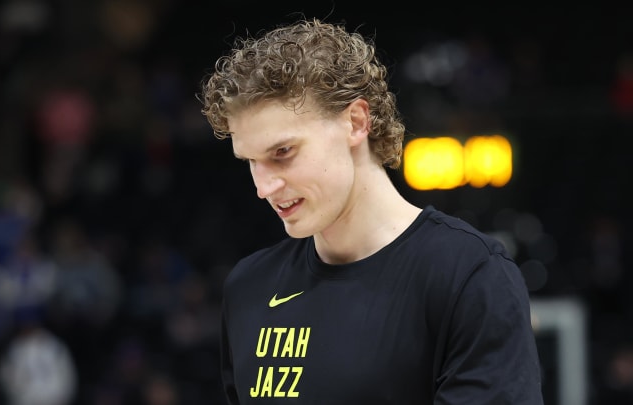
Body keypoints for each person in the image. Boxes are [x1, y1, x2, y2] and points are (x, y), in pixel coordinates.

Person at [199, 17, 544, 404]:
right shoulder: (249, 285)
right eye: (251, 161)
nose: (264, 187)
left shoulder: (469, 274)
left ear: (356, 122)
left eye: (283, 152)